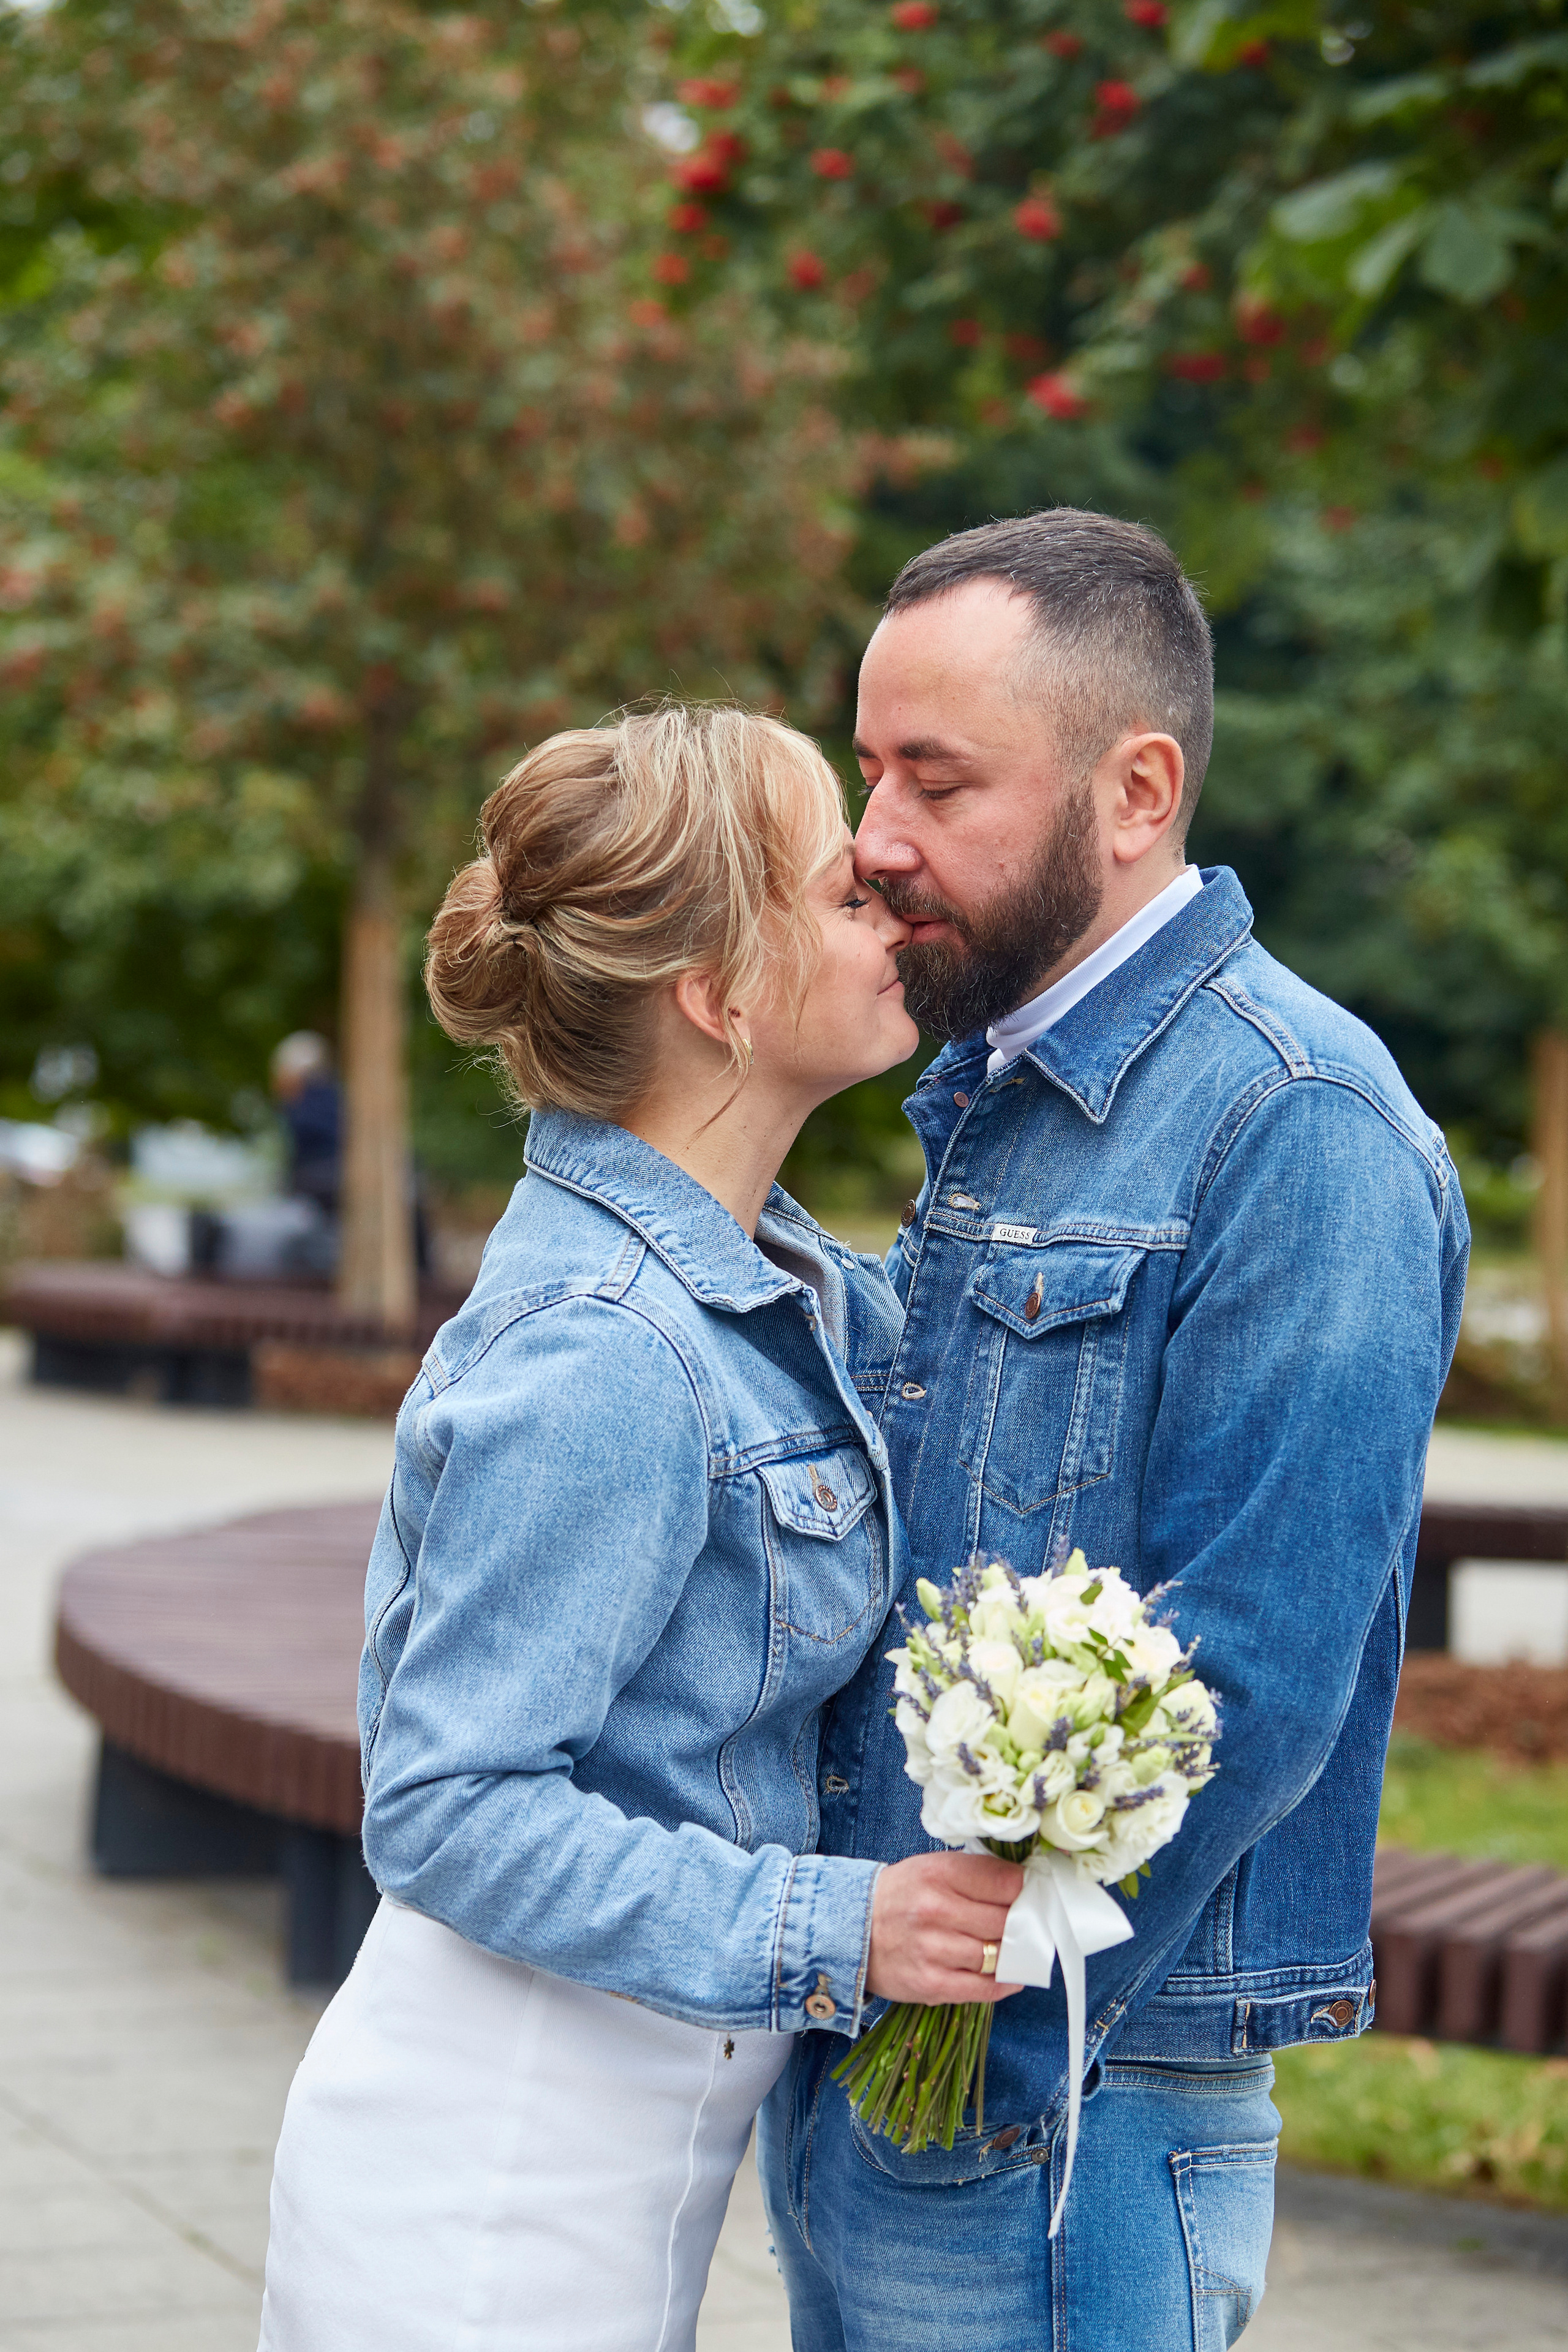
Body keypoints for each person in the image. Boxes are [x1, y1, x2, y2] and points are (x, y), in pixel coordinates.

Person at [760, 511, 1470, 2351]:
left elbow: (1253, 1677)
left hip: (1068, 2109)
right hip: (879, 2068)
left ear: (1135, 788)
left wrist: (974, 2046)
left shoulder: (1297, 1126)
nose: (874, 838)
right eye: (870, 770)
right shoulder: (1006, 1090)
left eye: (938, 778)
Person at [255, 705, 1023, 2352]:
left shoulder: (781, 1291)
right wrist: (846, 1923)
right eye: (838, 893)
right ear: (717, 993)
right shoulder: (609, 1347)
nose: (891, 897)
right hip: (490, 2186)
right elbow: (451, 1806)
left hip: (613, 2151)